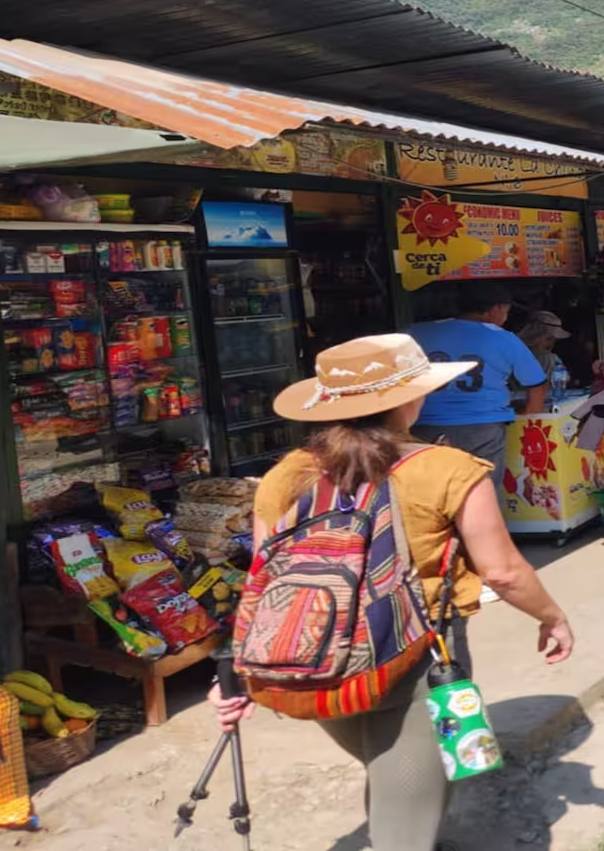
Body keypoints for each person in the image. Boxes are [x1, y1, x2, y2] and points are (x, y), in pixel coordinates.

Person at [214, 334, 573, 851]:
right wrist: (552, 617)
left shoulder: (283, 475)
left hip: (310, 659)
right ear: (408, 398)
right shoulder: (447, 468)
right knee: (408, 802)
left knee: (392, 776)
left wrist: (241, 666)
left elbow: (266, 575)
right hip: (413, 657)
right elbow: (503, 573)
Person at [406, 283, 548, 482]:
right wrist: (530, 414)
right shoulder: (503, 338)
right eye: (505, 312)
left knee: (431, 491)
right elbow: (536, 384)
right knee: (483, 488)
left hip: (424, 425)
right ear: (494, 310)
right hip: (482, 428)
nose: (505, 319)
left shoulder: (416, 333)